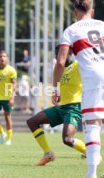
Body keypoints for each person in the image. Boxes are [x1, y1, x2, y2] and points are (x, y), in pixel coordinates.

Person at [53, 1, 104, 177]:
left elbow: (61, 62)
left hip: (94, 77)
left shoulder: (72, 30)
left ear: (75, 12)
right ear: (93, 11)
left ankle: (91, 174)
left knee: (93, 125)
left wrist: (56, 87)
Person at [27, 45, 85, 166]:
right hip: (60, 107)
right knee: (32, 121)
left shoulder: (79, 66)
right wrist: (56, 92)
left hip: (74, 107)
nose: (59, 56)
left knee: (67, 140)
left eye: (62, 53)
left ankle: (91, 154)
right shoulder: (58, 68)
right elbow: (56, 82)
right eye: (57, 54)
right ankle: (48, 154)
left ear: (70, 53)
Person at [0, 51, 17, 145]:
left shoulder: (11, 70)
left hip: (7, 97)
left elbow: (14, 85)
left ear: (7, 58)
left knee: (7, 117)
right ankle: (2, 133)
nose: (2, 58)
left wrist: (12, 98)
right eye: (0, 56)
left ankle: (9, 139)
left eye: (4, 56)